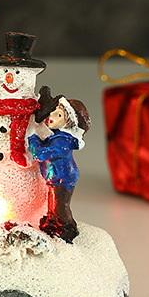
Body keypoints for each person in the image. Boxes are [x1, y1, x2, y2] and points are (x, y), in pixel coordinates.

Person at [28, 96, 90, 243]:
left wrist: (32, 138)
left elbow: (41, 154)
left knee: (61, 205)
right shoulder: (55, 136)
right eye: (53, 112)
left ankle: (67, 228)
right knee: (52, 202)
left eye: (59, 115)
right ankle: (52, 223)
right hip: (54, 177)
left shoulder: (63, 141)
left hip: (63, 178)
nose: (52, 116)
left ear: (68, 122)